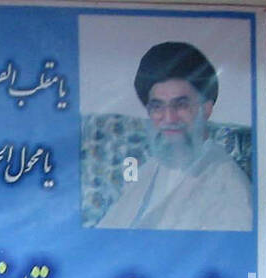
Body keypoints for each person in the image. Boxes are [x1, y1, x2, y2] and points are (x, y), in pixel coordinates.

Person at [96, 41, 252, 231]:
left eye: (181, 105)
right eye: (157, 106)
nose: (169, 118)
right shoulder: (153, 167)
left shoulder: (229, 189)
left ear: (206, 109)